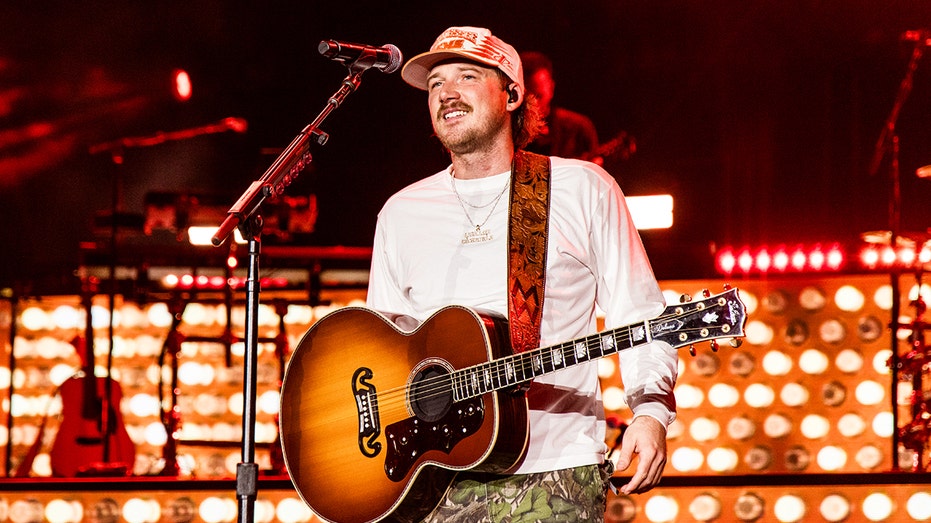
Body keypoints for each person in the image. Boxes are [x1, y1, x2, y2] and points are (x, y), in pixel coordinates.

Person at [366, 26, 677, 522]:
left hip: (553, 473)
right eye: (435, 84)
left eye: (467, 76)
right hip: (432, 480)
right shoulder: (401, 213)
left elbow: (640, 314)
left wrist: (651, 411)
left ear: (512, 94)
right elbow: (381, 347)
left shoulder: (582, 189)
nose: (446, 92)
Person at [520, 50, 600, 161]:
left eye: (539, 96)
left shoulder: (579, 128)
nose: (533, 105)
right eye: (526, 98)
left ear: (551, 88)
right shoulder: (505, 133)